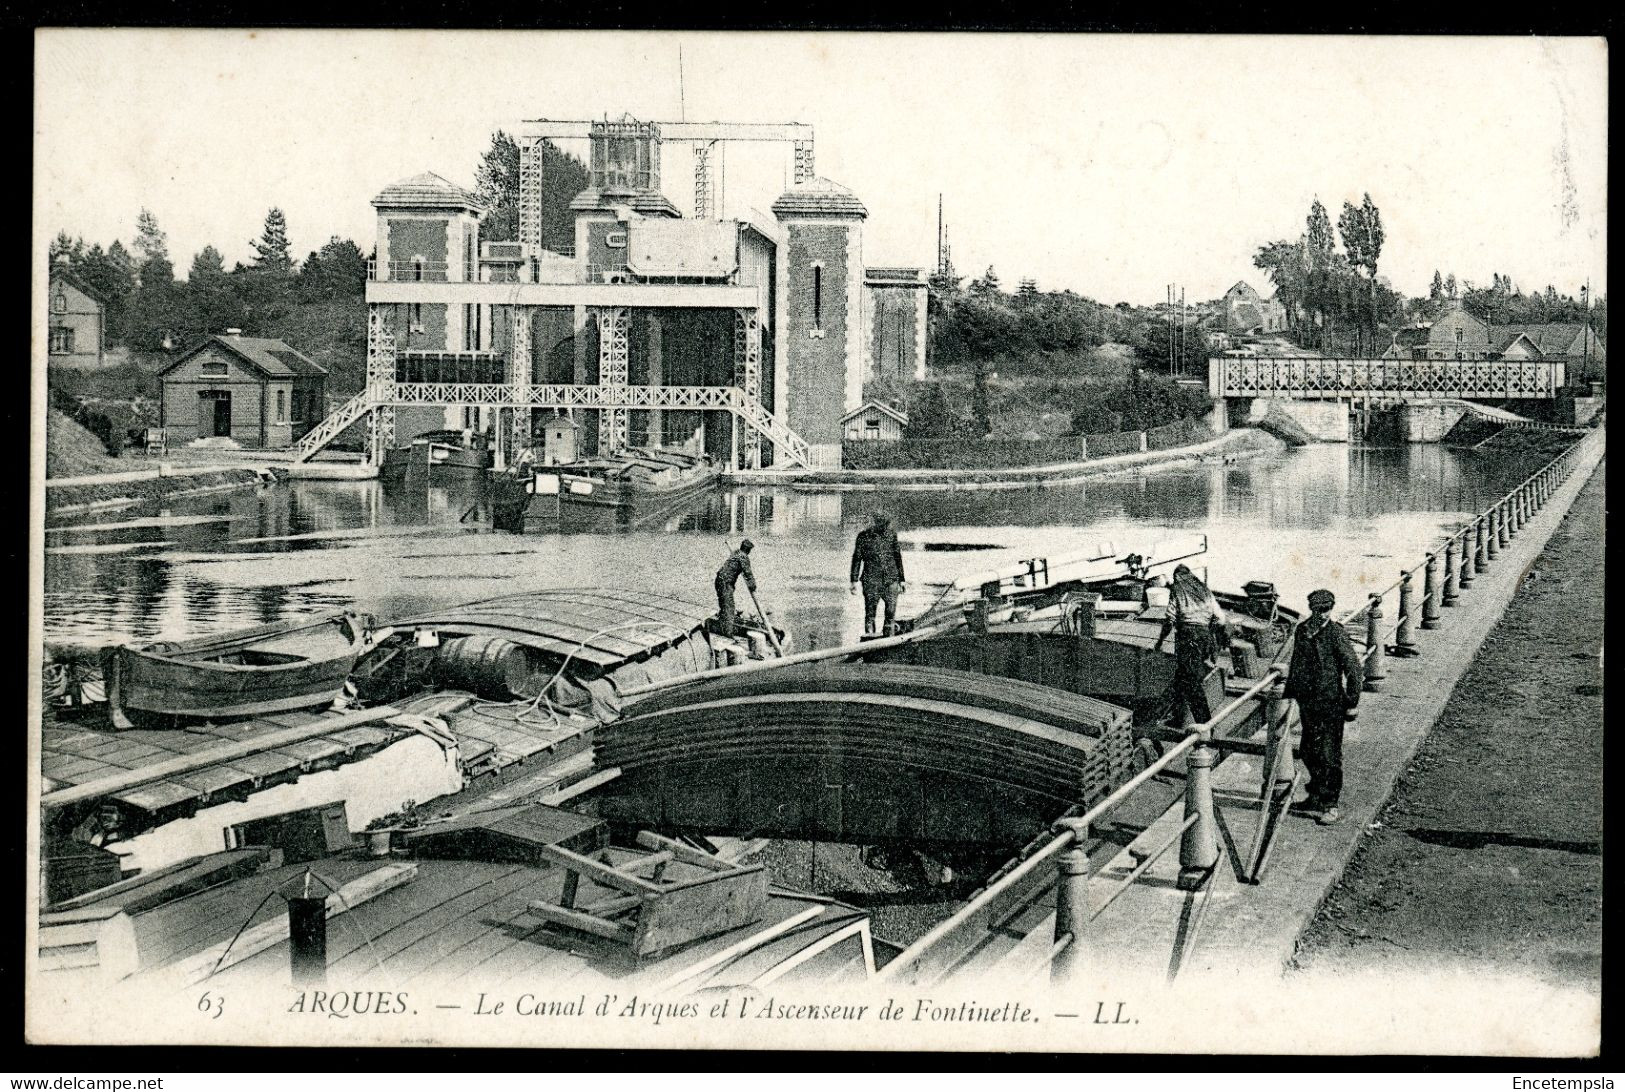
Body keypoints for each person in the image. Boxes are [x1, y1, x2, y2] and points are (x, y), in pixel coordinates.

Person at [1283, 588, 1364, 826]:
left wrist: (1352, 703)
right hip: (1309, 703)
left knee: (1329, 755)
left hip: (1331, 704)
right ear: (1311, 609)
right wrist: (1291, 693)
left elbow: (1354, 670)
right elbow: (1296, 664)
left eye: (1327, 609)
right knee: (1308, 750)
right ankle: (1316, 794)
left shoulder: (1336, 634)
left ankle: (1330, 804)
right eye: (1319, 610)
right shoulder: (1302, 631)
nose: (1323, 615)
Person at [1153, 564, 1230, 725]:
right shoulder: (1204, 591)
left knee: (1190, 681)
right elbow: (1220, 619)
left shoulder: (1178, 589)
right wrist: (1210, 634)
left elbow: (1169, 618)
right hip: (1204, 637)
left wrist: (1160, 641)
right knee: (1183, 677)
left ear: (1177, 578)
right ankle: (1177, 719)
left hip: (1188, 638)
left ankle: (1205, 724)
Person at [850, 512, 906, 636]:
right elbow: (857, 558)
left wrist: (902, 579)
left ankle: (888, 640)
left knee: (890, 613)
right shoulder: (863, 537)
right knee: (870, 614)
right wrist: (853, 580)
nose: (883, 526)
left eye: (885, 523)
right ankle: (870, 642)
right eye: (880, 523)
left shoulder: (891, 535)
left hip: (891, 579)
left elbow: (897, 557)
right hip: (871, 581)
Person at [714, 539, 756, 638]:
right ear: (748, 550)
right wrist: (752, 585)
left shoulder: (736, 553)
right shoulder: (743, 556)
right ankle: (727, 633)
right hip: (725, 583)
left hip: (719, 580)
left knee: (724, 606)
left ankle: (722, 627)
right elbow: (748, 573)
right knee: (729, 608)